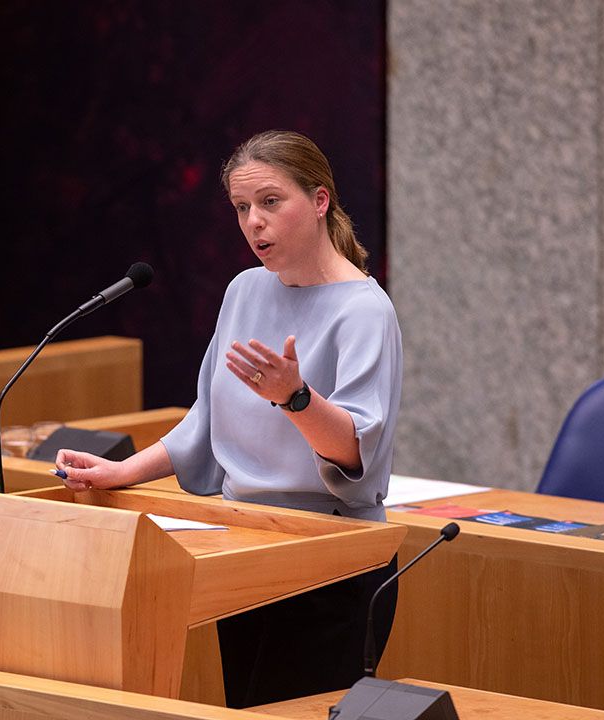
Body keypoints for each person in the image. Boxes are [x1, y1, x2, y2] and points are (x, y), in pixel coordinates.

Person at [54, 130, 402, 708]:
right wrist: (119, 472)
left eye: (270, 202)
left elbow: (356, 453)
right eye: (241, 208)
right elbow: (206, 421)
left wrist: (296, 398)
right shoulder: (244, 291)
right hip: (244, 547)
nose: (253, 222)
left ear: (319, 202)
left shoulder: (366, 310)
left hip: (331, 559)